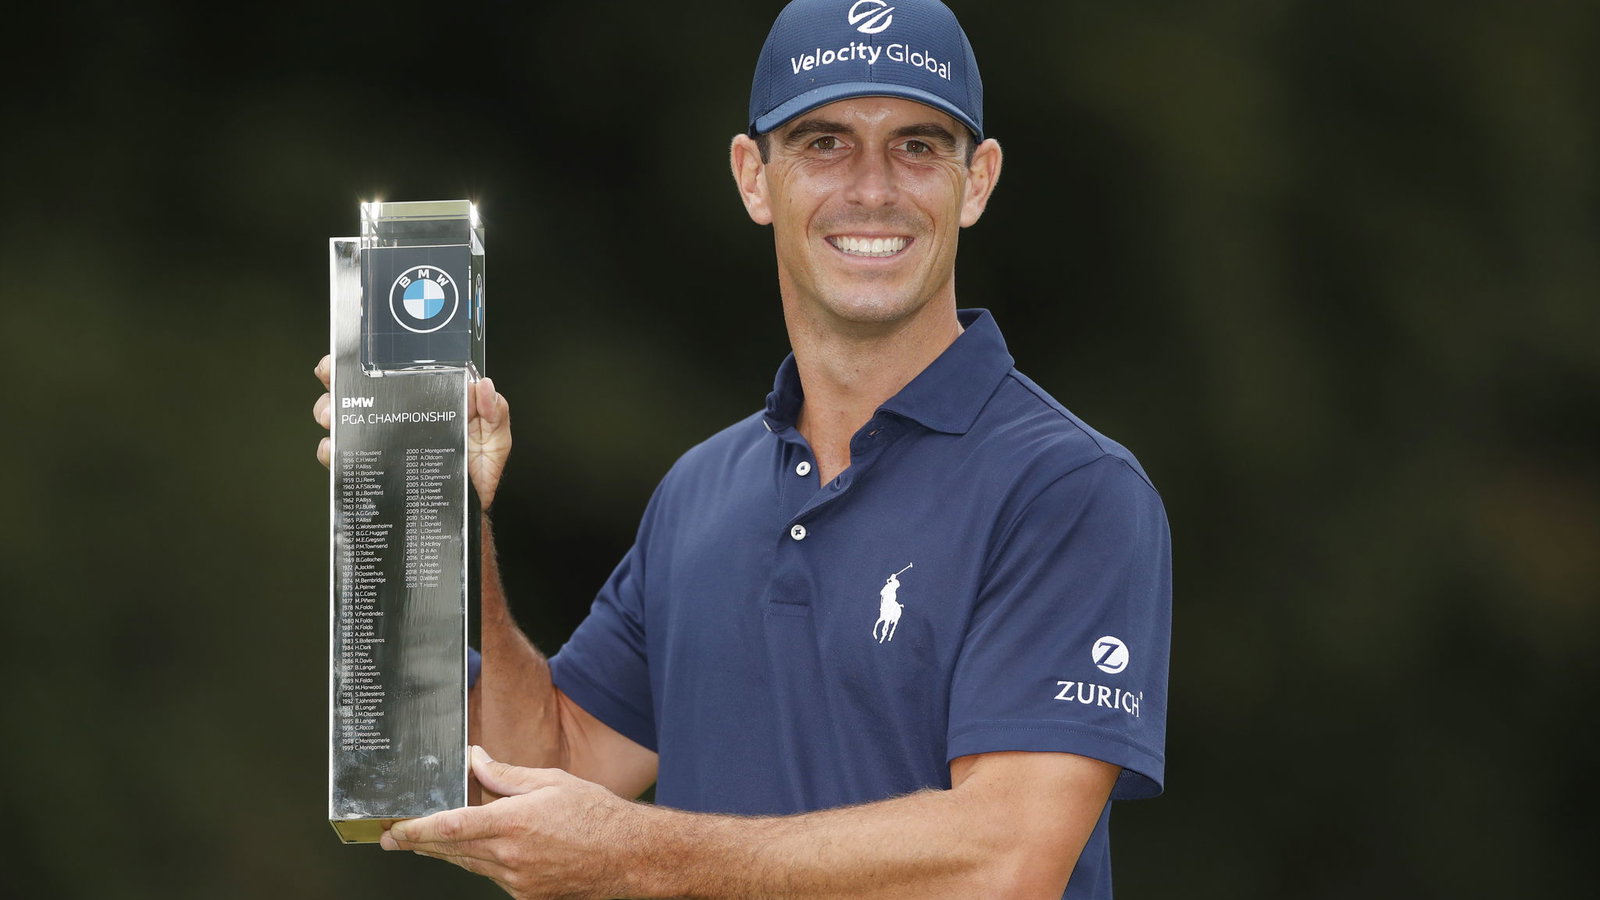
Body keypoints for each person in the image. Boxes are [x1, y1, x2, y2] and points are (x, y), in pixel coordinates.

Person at [313, 1, 1171, 896]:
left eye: (917, 145)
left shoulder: (1069, 487)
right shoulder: (700, 491)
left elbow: (1009, 856)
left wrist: (632, 855)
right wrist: (432, 507)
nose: (872, 188)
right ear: (753, 177)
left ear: (979, 179)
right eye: (824, 142)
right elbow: (548, 762)